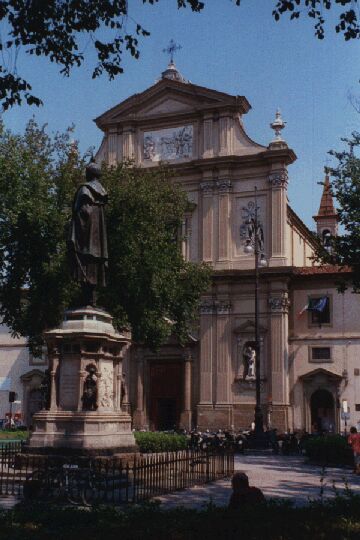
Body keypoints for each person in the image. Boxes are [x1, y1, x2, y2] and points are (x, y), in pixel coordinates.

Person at [68, 160, 108, 306]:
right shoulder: (102, 192)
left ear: (89, 174)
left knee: (85, 264)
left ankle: (87, 299)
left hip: (86, 237)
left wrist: (73, 227)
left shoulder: (85, 190)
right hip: (98, 238)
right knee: (94, 265)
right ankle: (91, 299)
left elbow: (82, 212)